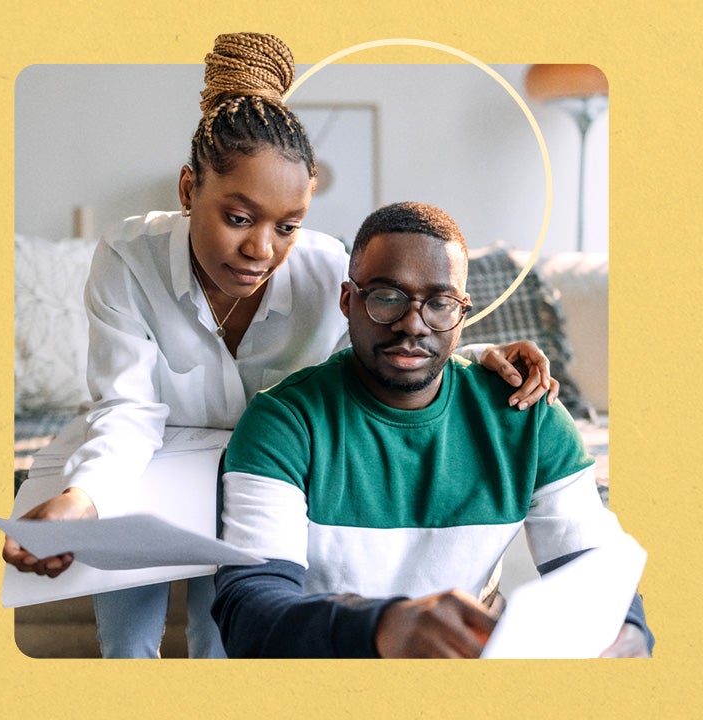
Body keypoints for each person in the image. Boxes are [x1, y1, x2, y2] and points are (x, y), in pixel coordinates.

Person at [2, 34, 560, 659]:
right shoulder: (128, 258)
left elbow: (389, 346)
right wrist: (85, 496)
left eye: (287, 225)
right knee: (127, 640)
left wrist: (475, 360)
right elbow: (126, 409)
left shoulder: (325, 273)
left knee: (228, 639)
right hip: (144, 463)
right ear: (189, 191)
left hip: (261, 473)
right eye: (238, 218)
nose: (262, 250)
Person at [212, 202, 654, 658]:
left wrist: (630, 635)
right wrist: (382, 627)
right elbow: (249, 614)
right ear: (349, 300)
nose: (413, 324)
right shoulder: (283, 422)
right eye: (386, 296)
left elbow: (597, 571)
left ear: (462, 313)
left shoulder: (529, 416)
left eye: (440, 304)